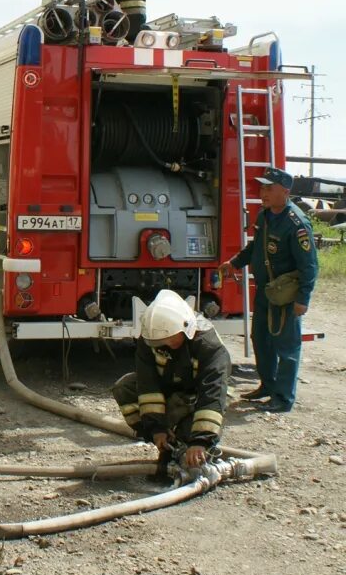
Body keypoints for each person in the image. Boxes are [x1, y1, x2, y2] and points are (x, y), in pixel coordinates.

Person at [219, 166, 319, 413]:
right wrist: (234, 262)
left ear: (284, 192)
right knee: (261, 339)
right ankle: (268, 385)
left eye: (268, 188)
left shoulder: (296, 224)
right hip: (265, 291)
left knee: (286, 345)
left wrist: (303, 298)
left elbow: (310, 265)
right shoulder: (264, 216)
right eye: (262, 187)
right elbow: (255, 249)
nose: (263, 192)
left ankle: (283, 398)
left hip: (285, 293)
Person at [112, 289, 231, 468]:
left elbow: (213, 392)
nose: (162, 345)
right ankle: (168, 447)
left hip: (197, 399)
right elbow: (148, 386)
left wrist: (201, 441)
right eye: (158, 342)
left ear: (186, 328)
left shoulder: (209, 346)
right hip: (170, 390)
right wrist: (156, 429)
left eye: (168, 340)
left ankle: (190, 450)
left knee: (192, 428)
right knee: (125, 387)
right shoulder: (150, 338)